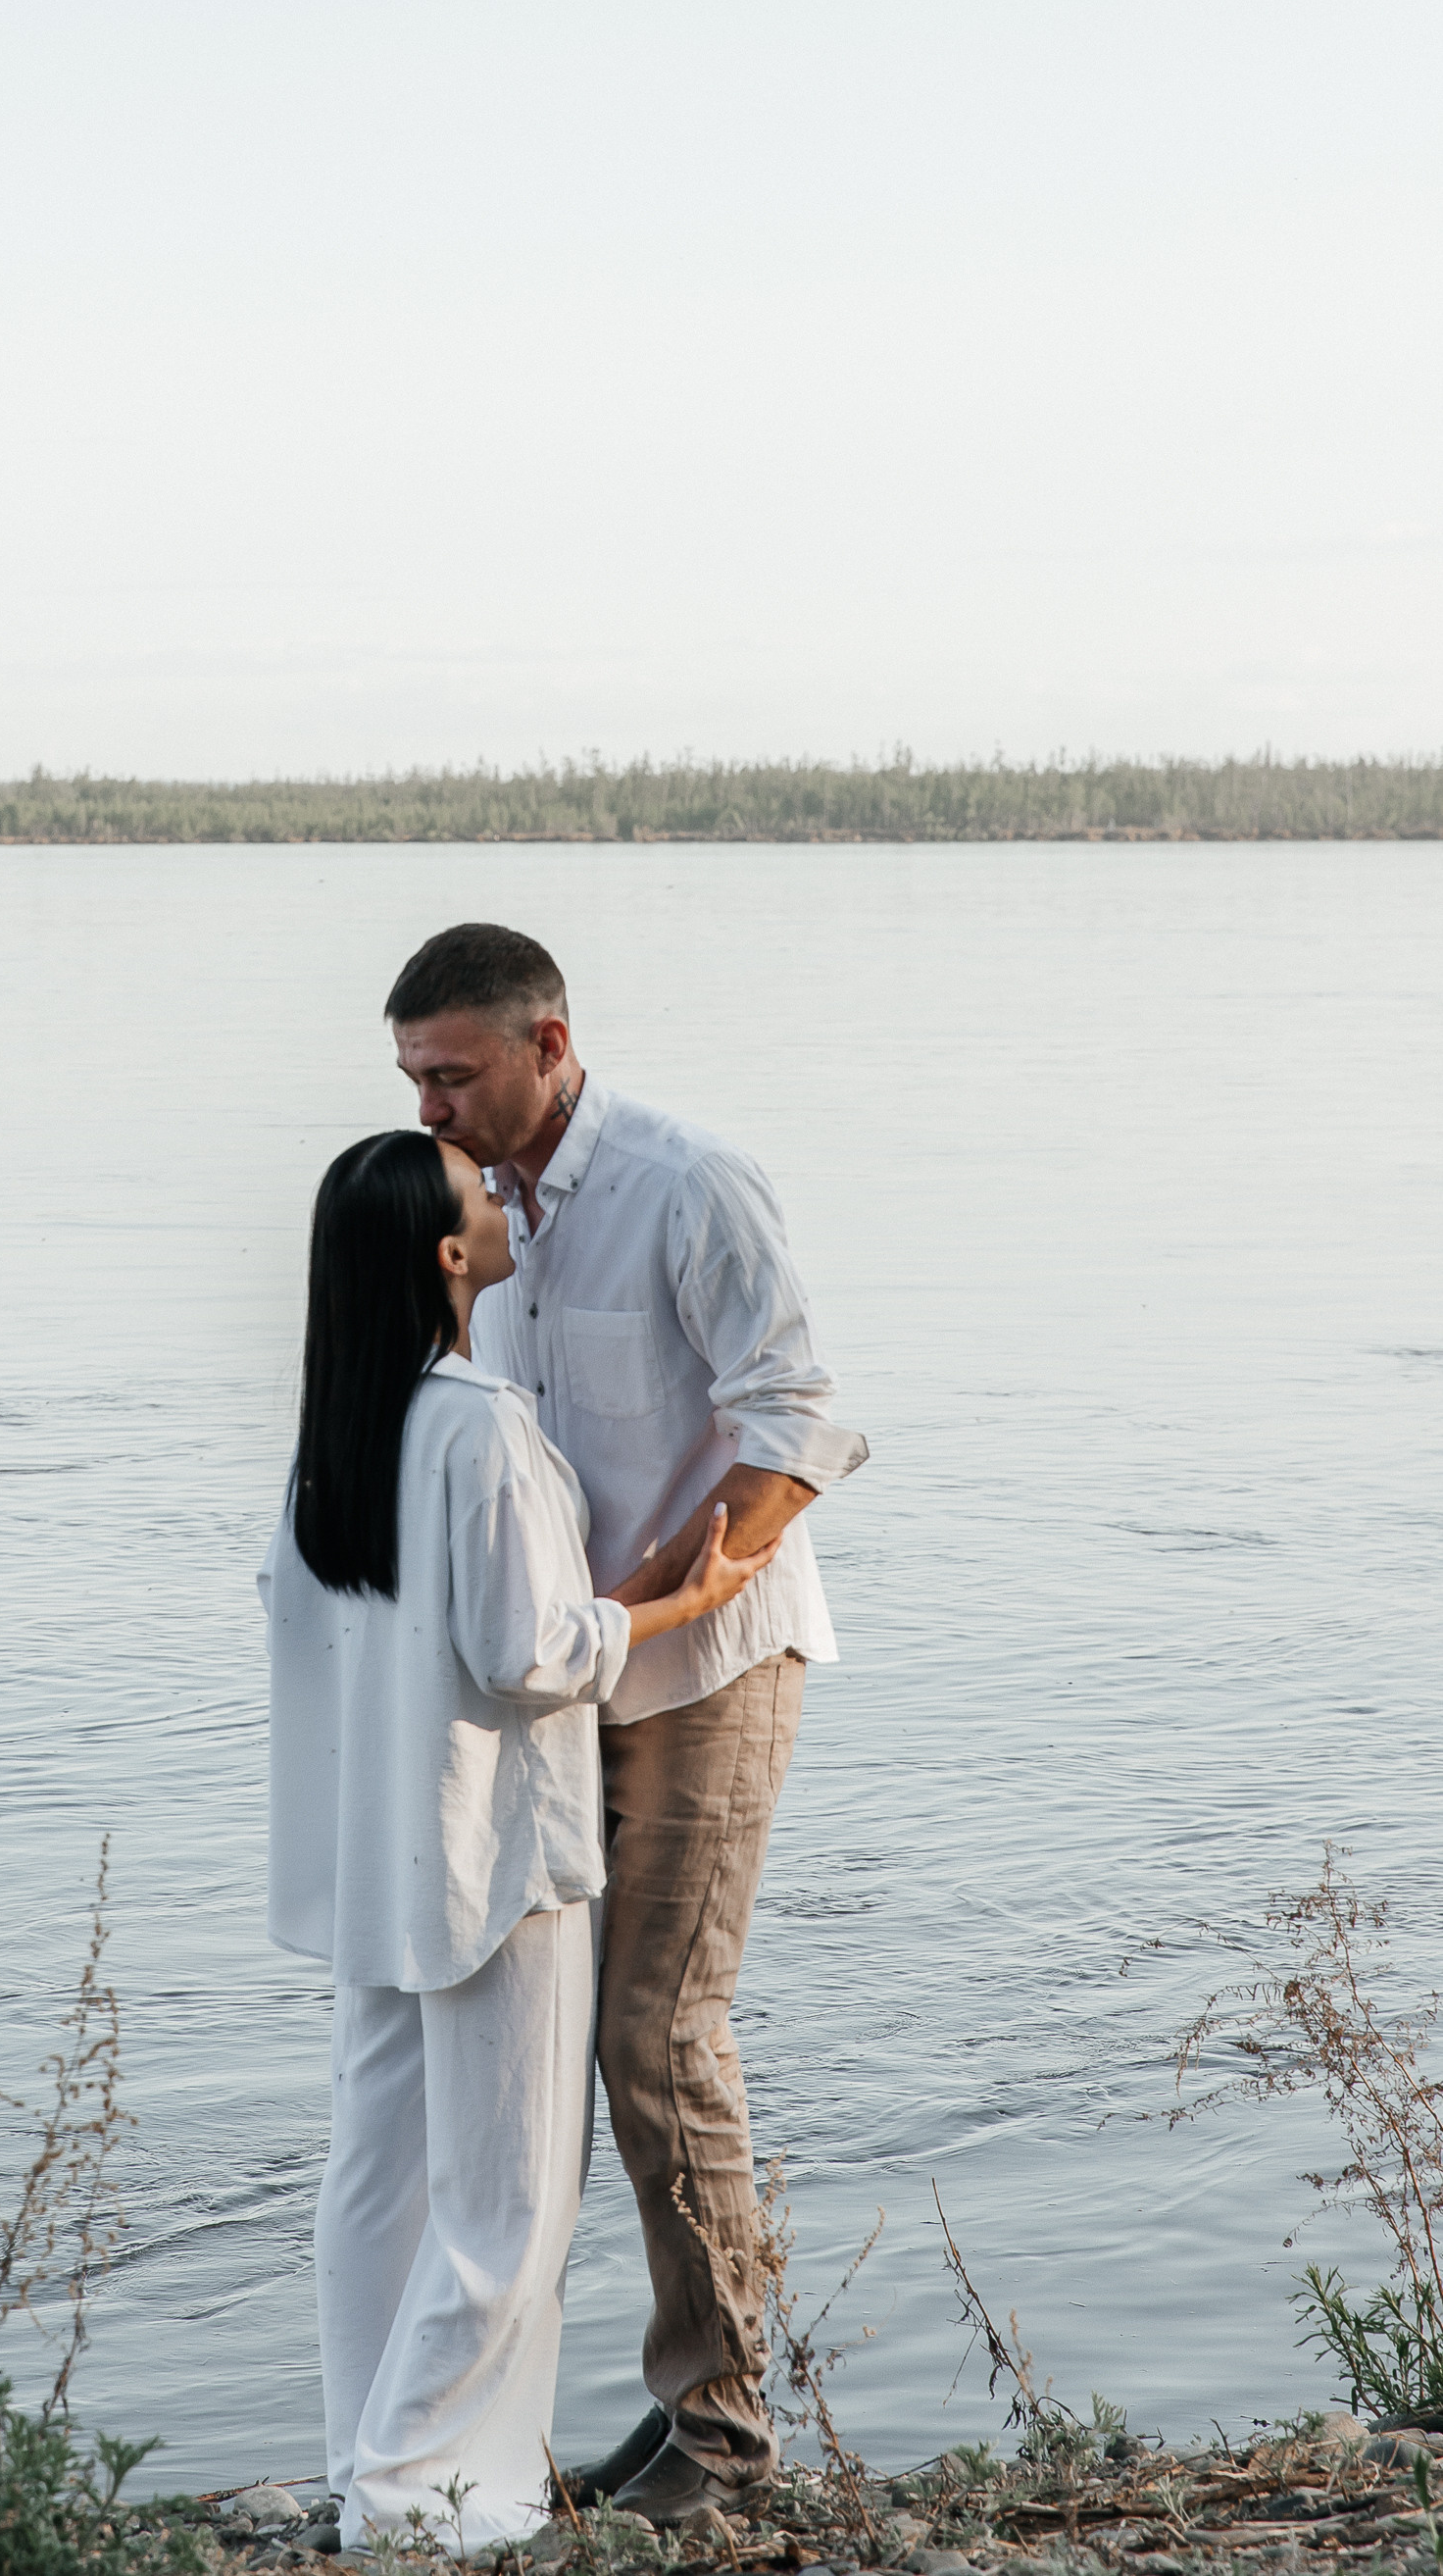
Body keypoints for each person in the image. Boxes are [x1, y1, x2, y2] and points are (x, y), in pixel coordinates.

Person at [383, 924, 869, 2530]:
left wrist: (658, 1596)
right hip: (557, 1685)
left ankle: (724, 2439)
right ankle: (590, 2410)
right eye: (411, 1080)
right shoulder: (473, 1223)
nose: (429, 1107)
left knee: (660, 2038)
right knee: (536, 2050)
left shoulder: (687, 1181)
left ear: (549, 1042)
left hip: (703, 1668)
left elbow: (797, 1424)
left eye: (452, 1075)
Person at [261, 1128, 784, 2558]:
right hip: (493, 1859)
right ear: (448, 1258)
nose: (500, 1199)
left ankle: (369, 2456)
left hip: (373, 1853)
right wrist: (690, 1593)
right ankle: (419, 2497)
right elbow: (535, 1655)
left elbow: (314, 1625)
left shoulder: (341, 1420)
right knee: (504, 2204)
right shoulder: (478, 1423)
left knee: (375, 2178)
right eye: (475, 1196)